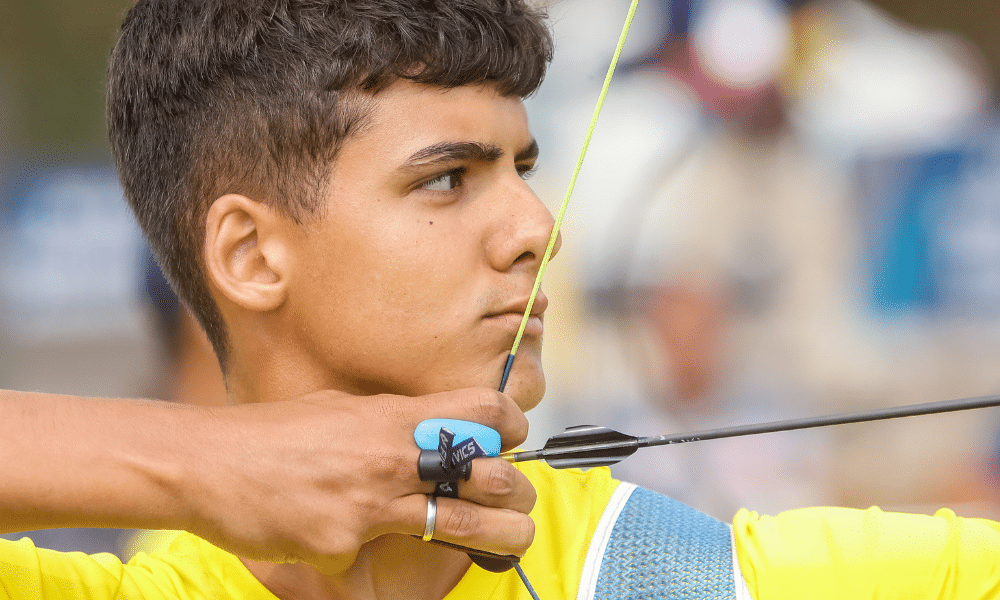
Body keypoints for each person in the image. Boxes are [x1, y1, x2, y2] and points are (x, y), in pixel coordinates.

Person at [0, 1, 997, 599]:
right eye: (446, 179)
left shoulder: (685, 575)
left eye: (524, 166)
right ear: (254, 255)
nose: (536, 228)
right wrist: (214, 462)